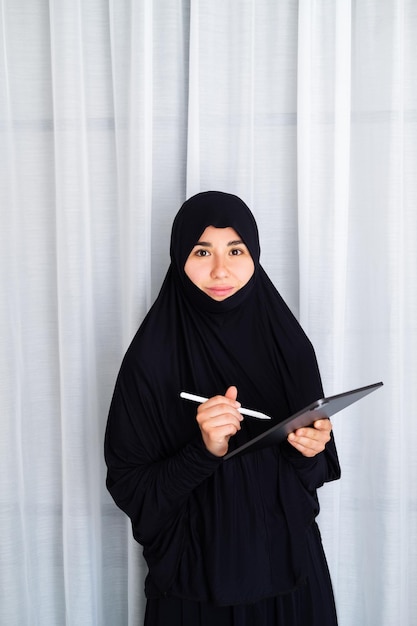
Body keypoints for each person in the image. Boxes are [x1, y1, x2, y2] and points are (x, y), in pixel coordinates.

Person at [104, 191, 341, 626]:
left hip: (289, 571)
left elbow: (315, 475)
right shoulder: (151, 359)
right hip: (193, 581)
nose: (220, 269)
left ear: (254, 254)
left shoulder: (289, 347)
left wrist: (309, 450)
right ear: (179, 258)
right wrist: (204, 451)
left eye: (235, 249)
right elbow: (130, 488)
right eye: (201, 251)